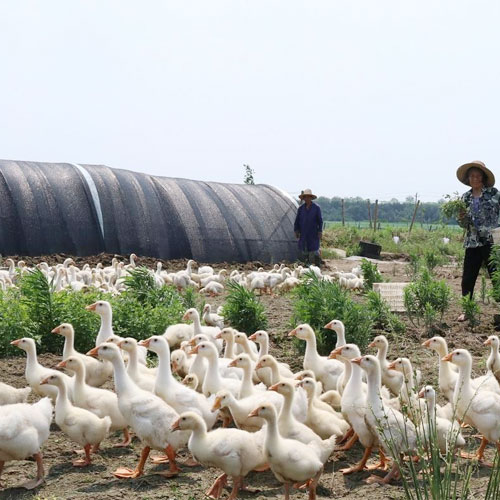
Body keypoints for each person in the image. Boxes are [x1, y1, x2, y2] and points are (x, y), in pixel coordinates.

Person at [456, 161, 500, 321]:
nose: (474, 178)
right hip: (472, 242)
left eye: (477, 175)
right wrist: (461, 218)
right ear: (468, 179)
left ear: (483, 178)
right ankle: (466, 310)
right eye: (472, 176)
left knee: (497, 276)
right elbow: (463, 223)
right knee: (468, 278)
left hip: (491, 241)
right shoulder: (465, 197)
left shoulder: (494, 194)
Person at [294, 188, 323, 266]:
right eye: (305, 197)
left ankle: (316, 265)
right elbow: (297, 220)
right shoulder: (301, 209)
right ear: (303, 198)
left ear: (311, 198)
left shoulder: (316, 208)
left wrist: (320, 231)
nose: (306, 199)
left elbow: (320, 221)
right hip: (303, 232)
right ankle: (306, 265)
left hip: (313, 232)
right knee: (304, 248)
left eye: (308, 197)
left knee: (314, 249)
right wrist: (296, 230)